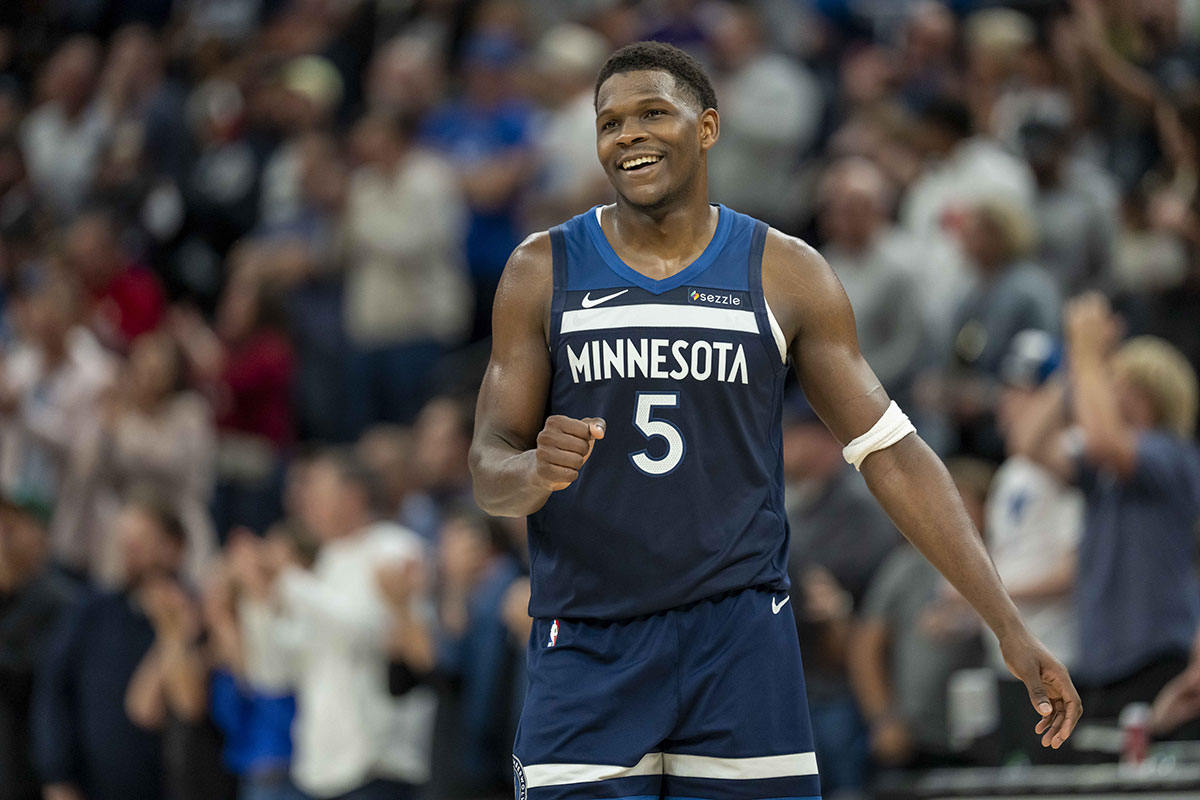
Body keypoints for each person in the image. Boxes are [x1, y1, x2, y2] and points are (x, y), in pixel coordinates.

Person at [469, 41, 1080, 800]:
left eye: (653, 112)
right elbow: (489, 466)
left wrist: (1008, 625)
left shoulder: (784, 271)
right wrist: (531, 470)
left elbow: (892, 453)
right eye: (609, 122)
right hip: (589, 641)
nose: (627, 134)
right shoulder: (541, 270)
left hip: (738, 644)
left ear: (709, 128)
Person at [0, 490, 78, 800]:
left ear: (40, 534)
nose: (3, 536)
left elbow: (31, 678)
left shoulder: (61, 603)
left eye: (11, 527)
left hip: (27, 769)